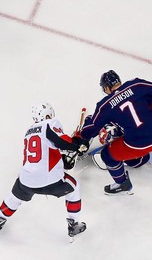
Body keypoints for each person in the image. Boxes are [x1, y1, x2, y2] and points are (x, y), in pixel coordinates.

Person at [0, 102, 89, 239]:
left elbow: (45, 152)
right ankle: (74, 225)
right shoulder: (49, 123)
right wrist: (78, 142)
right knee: (74, 188)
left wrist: (61, 158)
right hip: (50, 180)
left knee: (15, 197)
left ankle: (1, 217)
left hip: (26, 180)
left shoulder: (28, 131)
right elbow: (62, 142)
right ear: (48, 113)